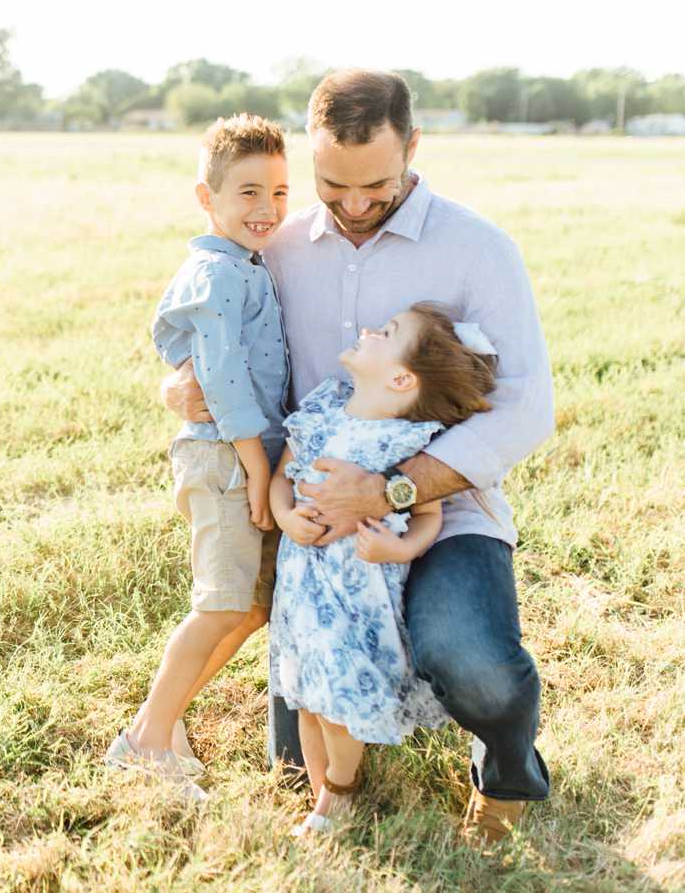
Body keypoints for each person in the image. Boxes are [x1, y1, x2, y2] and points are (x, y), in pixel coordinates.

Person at [163, 69, 554, 843]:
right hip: (316, 518)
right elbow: (218, 347)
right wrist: (179, 389)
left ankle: (505, 771)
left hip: (440, 509)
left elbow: (527, 410)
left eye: (375, 183)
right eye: (329, 184)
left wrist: (390, 491)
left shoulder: (480, 250)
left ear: (413, 146)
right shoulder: (278, 248)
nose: (350, 204)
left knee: (471, 661)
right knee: (293, 749)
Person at [105, 114, 290, 800]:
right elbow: (221, 380)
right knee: (219, 604)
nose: (266, 208)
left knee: (246, 606)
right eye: (247, 191)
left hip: (244, 455)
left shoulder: (245, 265)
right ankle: (144, 740)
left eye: (278, 190)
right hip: (224, 460)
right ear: (205, 197)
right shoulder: (214, 273)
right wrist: (259, 465)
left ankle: (164, 721)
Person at [270, 303, 498, 836]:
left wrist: (399, 551)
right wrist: (285, 517)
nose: (371, 330)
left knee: (337, 699)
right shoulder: (324, 410)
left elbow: (426, 518)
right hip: (303, 583)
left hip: (357, 596)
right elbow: (284, 478)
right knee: (306, 696)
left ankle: (340, 794)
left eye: (387, 332)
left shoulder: (402, 443)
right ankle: (323, 796)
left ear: (400, 378)